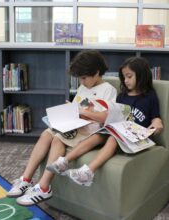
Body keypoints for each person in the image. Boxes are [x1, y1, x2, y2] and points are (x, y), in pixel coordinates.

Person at [7, 50, 117, 205]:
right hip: (76, 125)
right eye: (79, 78)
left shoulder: (108, 90)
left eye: (84, 78)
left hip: (89, 130)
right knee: (46, 134)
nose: (82, 82)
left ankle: (44, 187)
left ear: (97, 72)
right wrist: (71, 109)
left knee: (57, 138)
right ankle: (26, 179)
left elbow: (107, 116)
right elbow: (80, 106)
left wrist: (82, 112)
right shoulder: (83, 88)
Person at [46, 56, 164, 187]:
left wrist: (157, 124)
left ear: (142, 75)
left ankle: (88, 172)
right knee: (99, 134)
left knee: (113, 138)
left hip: (137, 137)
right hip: (119, 131)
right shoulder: (122, 96)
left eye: (129, 77)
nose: (126, 81)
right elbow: (115, 114)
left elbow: (156, 117)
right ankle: (64, 162)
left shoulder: (150, 96)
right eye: (124, 77)